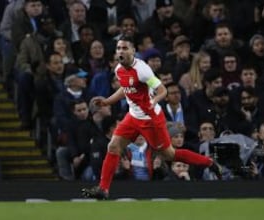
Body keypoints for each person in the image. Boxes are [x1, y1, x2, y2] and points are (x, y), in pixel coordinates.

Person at [81, 36, 221, 199]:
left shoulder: (143, 70)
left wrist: (153, 100)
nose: (121, 51)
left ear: (133, 51)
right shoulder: (119, 69)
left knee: (169, 154)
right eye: (119, 48)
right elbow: (125, 89)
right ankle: (103, 189)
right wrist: (107, 101)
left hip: (150, 120)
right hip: (133, 117)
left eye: (125, 48)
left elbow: (162, 90)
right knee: (113, 146)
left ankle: (209, 163)